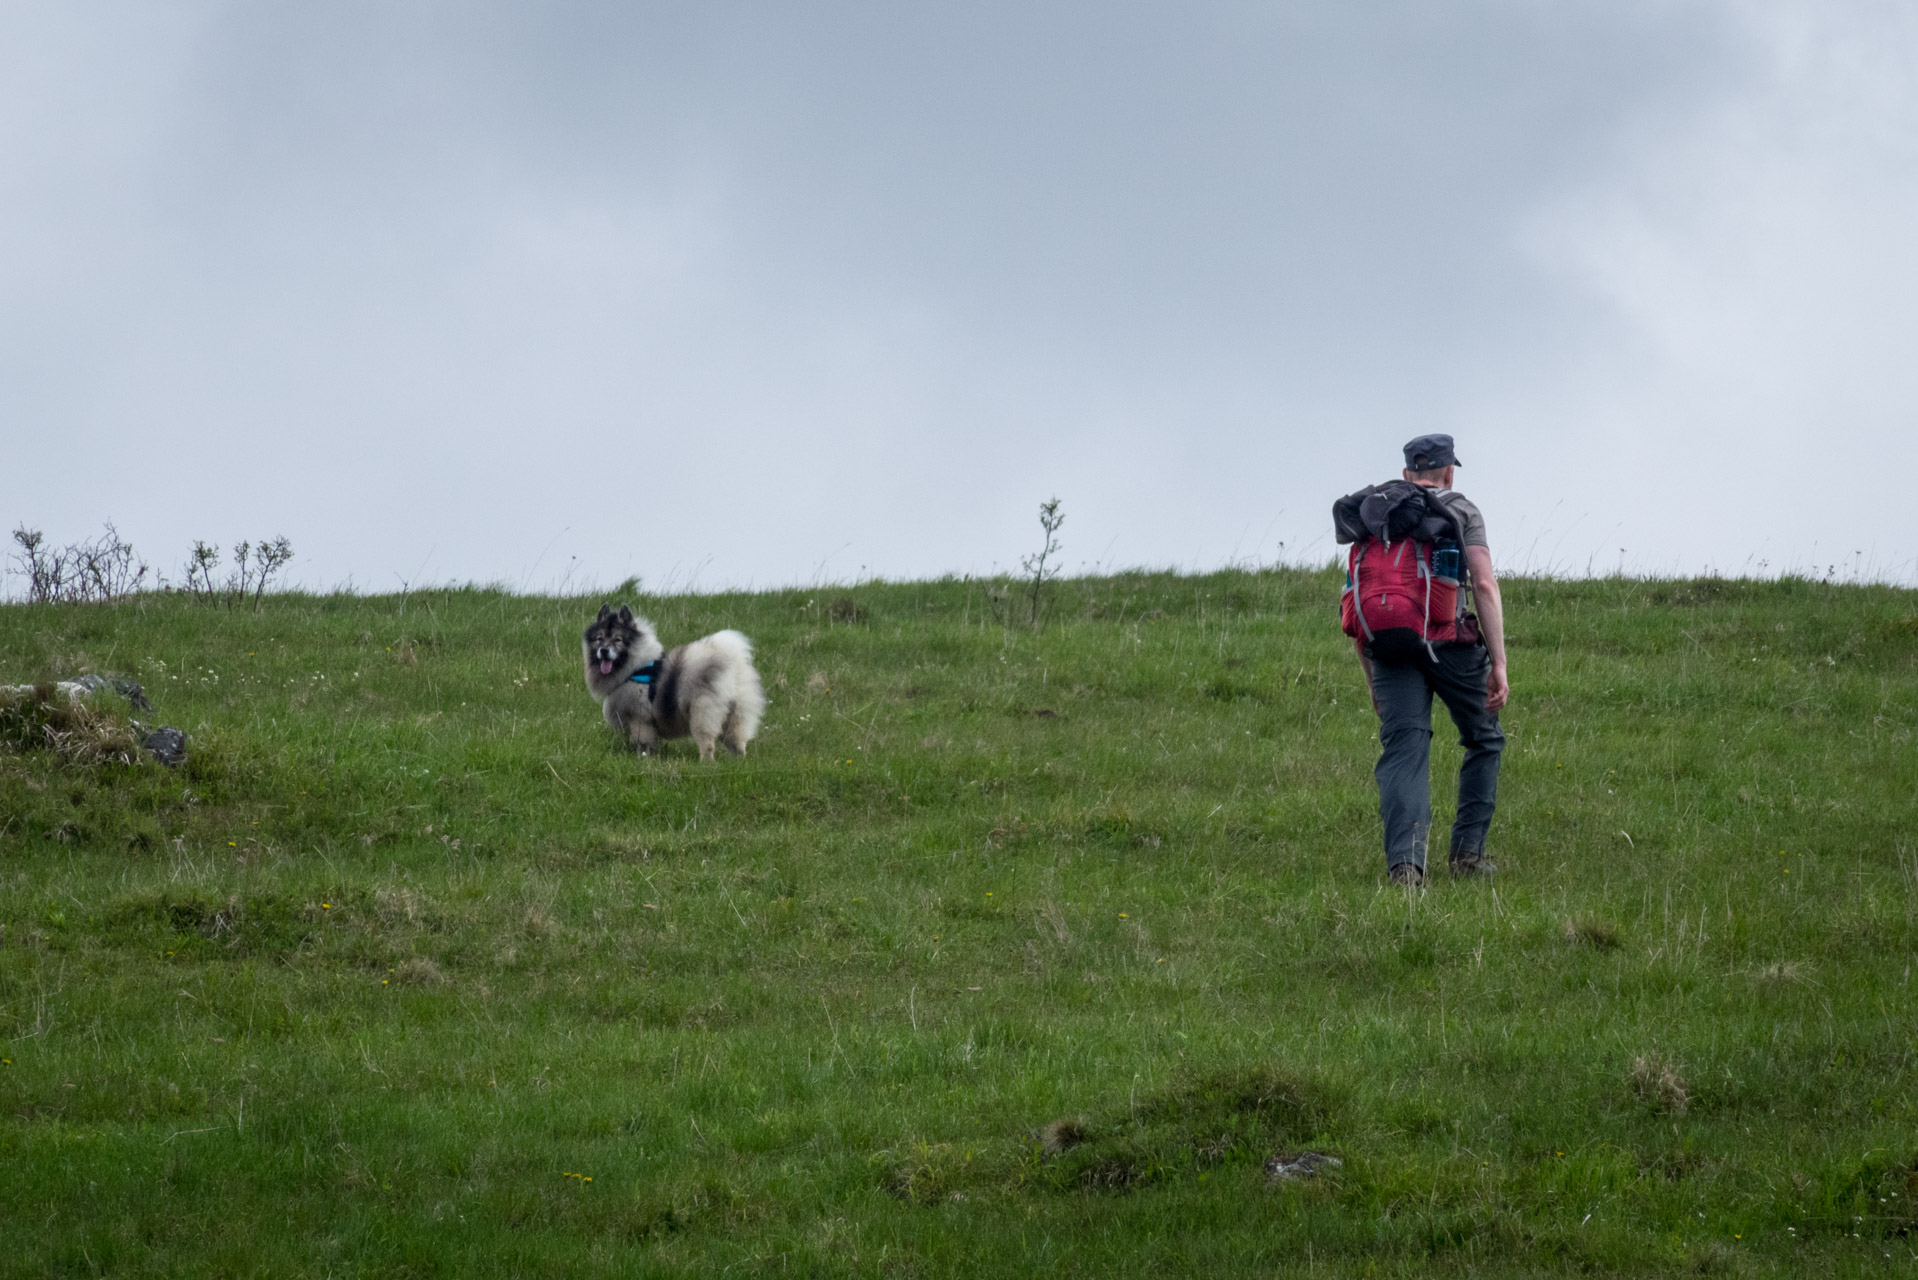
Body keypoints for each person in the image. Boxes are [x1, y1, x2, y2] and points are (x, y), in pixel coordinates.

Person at [1352, 434, 1508, 888]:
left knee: (1404, 752)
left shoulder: (1375, 513)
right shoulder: (1461, 509)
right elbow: (1483, 584)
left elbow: (1357, 605)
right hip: (1451, 644)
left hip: (1389, 649)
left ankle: (1406, 867)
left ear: (1406, 475)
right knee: (1484, 738)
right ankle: (1467, 855)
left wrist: (1371, 678)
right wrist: (1498, 663)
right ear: (1449, 472)